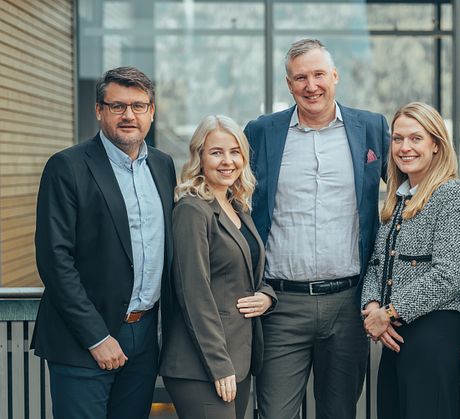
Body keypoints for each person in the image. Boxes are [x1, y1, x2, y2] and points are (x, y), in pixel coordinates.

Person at [244, 38, 389, 419]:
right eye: (300, 77)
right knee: (274, 413)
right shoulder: (262, 132)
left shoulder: (372, 129)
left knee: (339, 412)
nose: (311, 86)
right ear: (288, 84)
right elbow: (234, 203)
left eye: (319, 74)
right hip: (280, 304)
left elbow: (413, 192)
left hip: (348, 303)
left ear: (335, 76)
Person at [32, 66, 176, 419]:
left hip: (144, 337)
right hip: (83, 341)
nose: (129, 115)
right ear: (99, 111)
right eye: (118, 106)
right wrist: (96, 337)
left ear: (152, 112)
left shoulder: (163, 165)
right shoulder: (67, 167)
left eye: (139, 106)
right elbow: (55, 259)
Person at [361, 102, 460, 419]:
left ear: (436, 145)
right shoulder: (397, 198)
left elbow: (450, 275)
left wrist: (389, 311)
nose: (404, 147)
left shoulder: (453, 194)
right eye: (398, 139)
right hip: (395, 336)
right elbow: (376, 264)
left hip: (434, 335)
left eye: (416, 138)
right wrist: (372, 306)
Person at [159, 115, 277, 419]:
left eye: (234, 152)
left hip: (238, 357)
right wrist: (219, 364)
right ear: (199, 157)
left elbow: (246, 271)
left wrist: (265, 296)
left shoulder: (238, 206)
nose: (227, 161)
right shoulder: (191, 210)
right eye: (216, 152)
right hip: (202, 365)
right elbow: (193, 292)